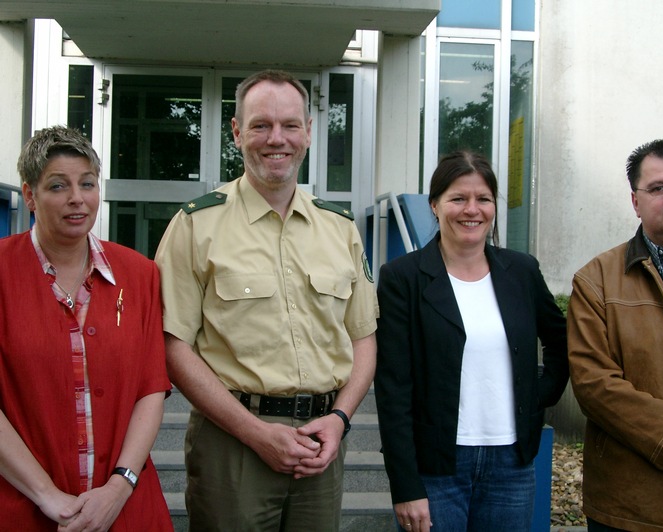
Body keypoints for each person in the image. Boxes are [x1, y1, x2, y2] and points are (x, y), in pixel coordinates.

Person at [154, 69, 378, 531]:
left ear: (309, 132)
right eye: (261, 125)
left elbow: (364, 338)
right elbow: (172, 344)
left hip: (322, 443)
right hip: (231, 445)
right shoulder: (196, 225)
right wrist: (254, 433)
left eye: (290, 125)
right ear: (237, 132)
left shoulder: (340, 229)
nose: (277, 139)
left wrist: (339, 418)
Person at [374, 150, 569, 532]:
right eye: (458, 198)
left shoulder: (522, 271)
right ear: (434, 205)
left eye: (483, 198)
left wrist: (538, 395)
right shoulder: (403, 278)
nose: (472, 210)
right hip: (436, 469)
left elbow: (561, 340)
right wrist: (404, 486)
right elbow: (393, 388)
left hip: (511, 466)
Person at [0, 126, 173, 531]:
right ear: (29, 195)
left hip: (127, 508)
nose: (77, 198)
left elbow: (151, 388)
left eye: (87, 183)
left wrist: (118, 488)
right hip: (24, 508)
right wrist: (48, 496)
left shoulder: (140, 274)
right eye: (58, 186)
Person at [568, 138, 663, 531]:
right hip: (632, 507)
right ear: (635, 201)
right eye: (658, 188)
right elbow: (594, 385)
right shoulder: (597, 279)